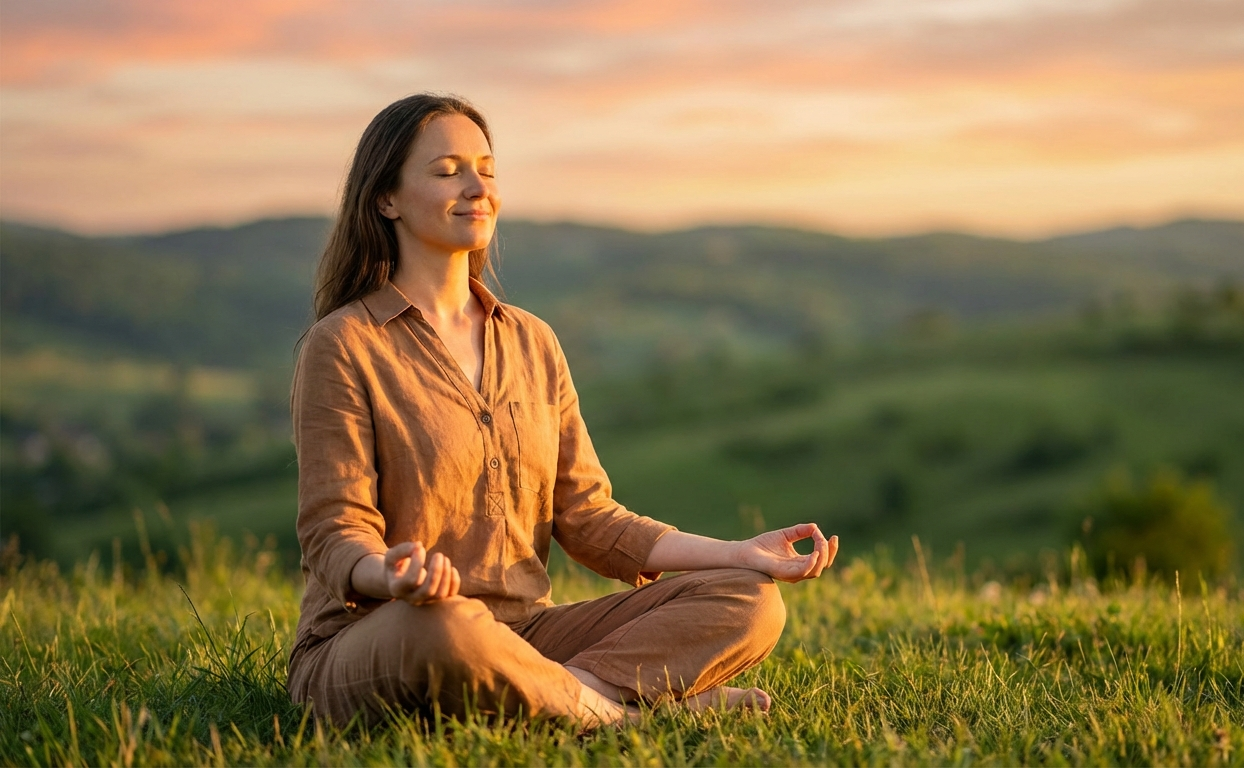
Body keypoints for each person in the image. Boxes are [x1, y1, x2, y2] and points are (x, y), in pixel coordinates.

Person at [287, 93, 840, 729]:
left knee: (750, 601)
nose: (477, 188)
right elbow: (334, 530)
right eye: (447, 172)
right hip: (391, 636)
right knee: (446, 625)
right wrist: (391, 575)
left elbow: (590, 518)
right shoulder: (345, 344)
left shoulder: (532, 340)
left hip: (527, 635)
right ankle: (627, 717)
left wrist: (739, 554)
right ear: (386, 199)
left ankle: (550, 698)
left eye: (487, 169)